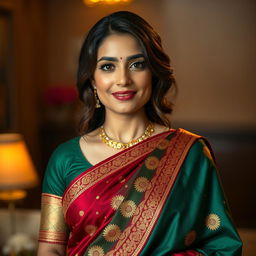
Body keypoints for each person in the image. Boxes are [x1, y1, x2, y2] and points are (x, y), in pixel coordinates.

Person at [37, 11, 242, 256]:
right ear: (92, 79)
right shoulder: (64, 158)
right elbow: (50, 249)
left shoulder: (189, 153)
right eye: (108, 66)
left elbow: (223, 248)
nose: (123, 79)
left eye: (136, 64)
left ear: (153, 73)